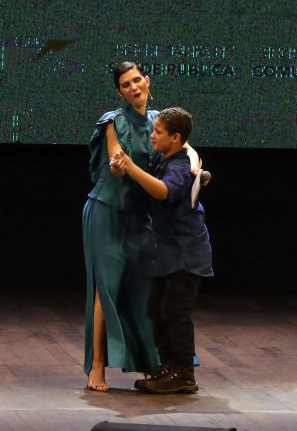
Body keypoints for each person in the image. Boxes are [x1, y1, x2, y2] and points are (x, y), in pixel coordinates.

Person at [83, 62, 202, 391]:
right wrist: (121, 164)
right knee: (105, 289)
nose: (134, 87)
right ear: (119, 92)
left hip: (141, 216)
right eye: (125, 84)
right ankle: (96, 368)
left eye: (137, 80)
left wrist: (198, 170)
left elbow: (189, 153)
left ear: (147, 81)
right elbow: (116, 161)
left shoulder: (159, 120)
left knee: (145, 291)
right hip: (108, 211)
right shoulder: (113, 121)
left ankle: (158, 365)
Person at [111, 107, 213, 394]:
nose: (152, 136)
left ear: (174, 138)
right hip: (168, 252)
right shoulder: (173, 156)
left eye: (158, 132)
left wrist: (131, 167)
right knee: (157, 309)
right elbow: (191, 148)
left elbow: (163, 191)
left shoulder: (179, 168)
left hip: (187, 253)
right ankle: (169, 366)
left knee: (175, 312)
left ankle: (184, 373)